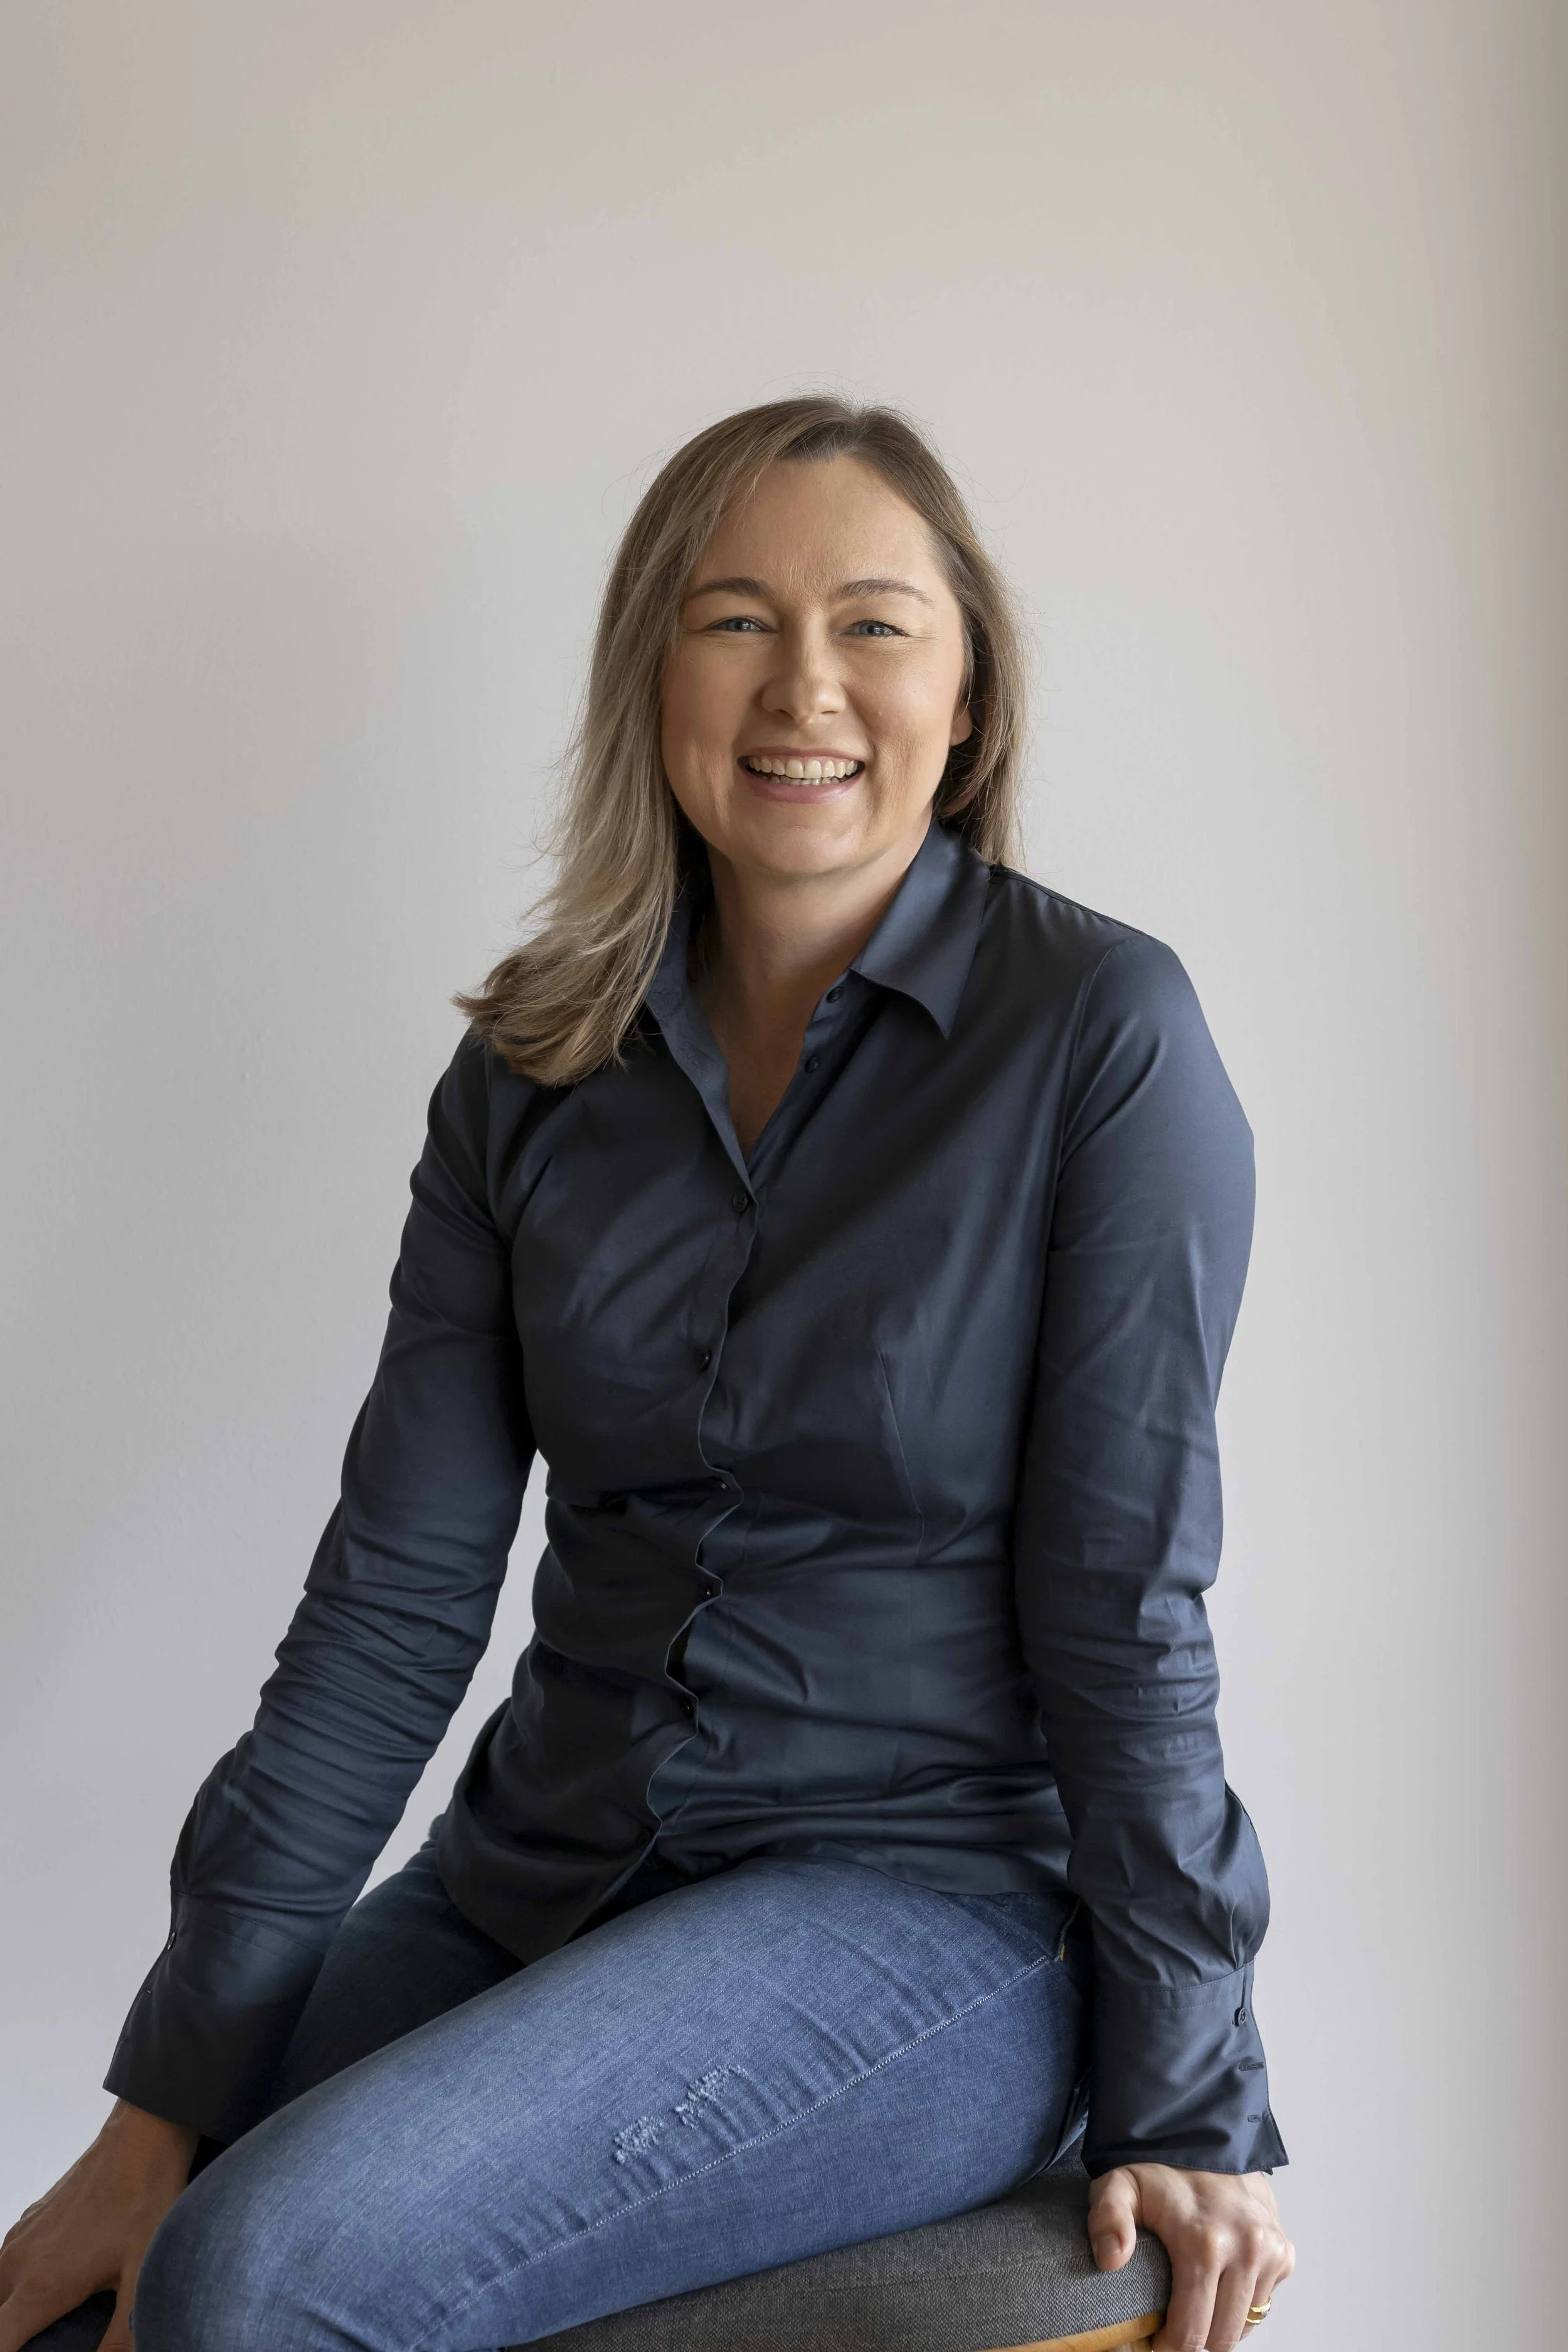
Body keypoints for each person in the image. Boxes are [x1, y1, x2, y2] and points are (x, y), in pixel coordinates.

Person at [0, 397, 1295, 2352]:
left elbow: (1125, 1598)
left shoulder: (1099, 1034)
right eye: (733, 619)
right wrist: (160, 2091)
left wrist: (1192, 2086)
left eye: (872, 624)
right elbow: (390, 1606)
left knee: (251, 2278)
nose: (804, 686)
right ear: (651, 679)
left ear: (966, 697)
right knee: (66, 2302)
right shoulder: (526, 1073)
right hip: (543, 1870)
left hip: (928, 1912)